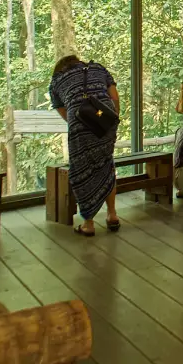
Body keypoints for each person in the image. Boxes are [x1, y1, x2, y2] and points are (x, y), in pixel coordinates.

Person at [49, 55, 121, 236]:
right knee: (106, 164)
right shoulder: (98, 68)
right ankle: (112, 215)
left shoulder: (57, 80)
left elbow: (65, 112)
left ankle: (88, 223)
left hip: (80, 121)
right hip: (105, 118)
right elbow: (114, 97)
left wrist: (80, 124)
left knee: (82, 170)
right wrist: (112, 119)